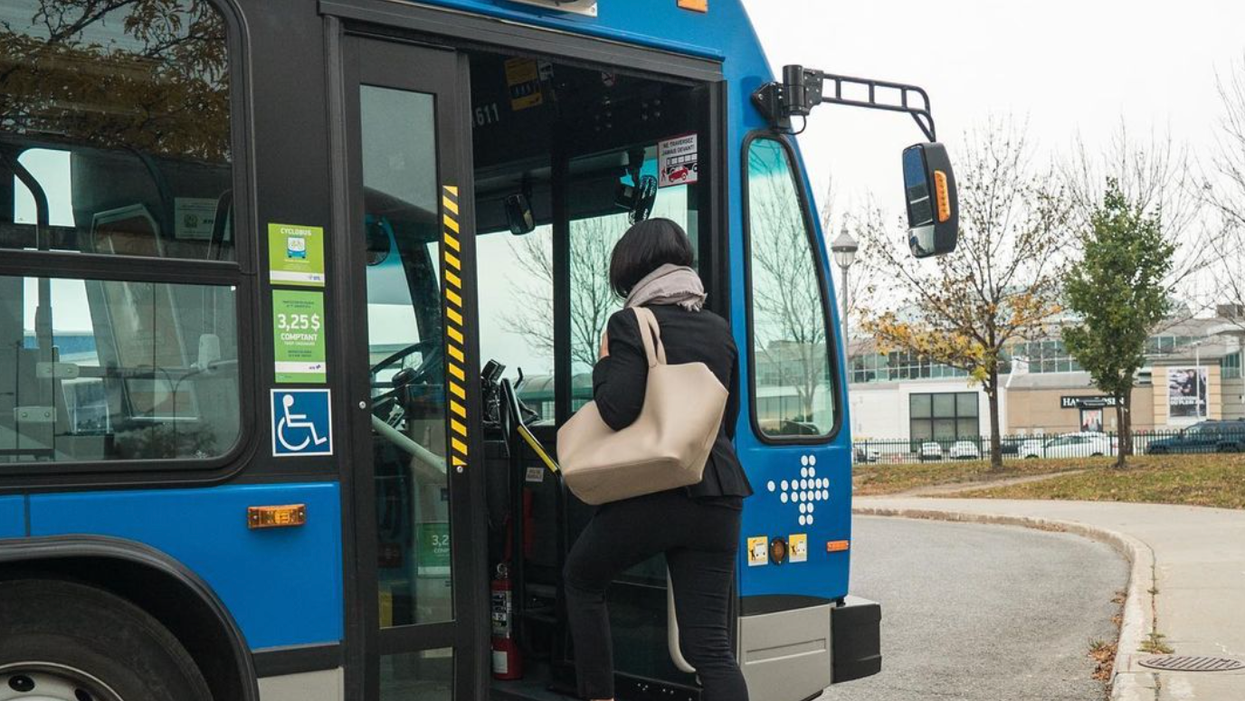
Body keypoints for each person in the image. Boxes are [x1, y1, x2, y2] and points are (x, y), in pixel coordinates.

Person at [562, 218, 752, 701]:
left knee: (582, 580)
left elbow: (617, 408)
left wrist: (605, 361)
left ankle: (598, 696)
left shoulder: (631, 323)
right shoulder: (717, 328)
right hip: (719, 493)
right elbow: (725, 422)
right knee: (710, 646)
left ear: (630, 269)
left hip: (654, 491)